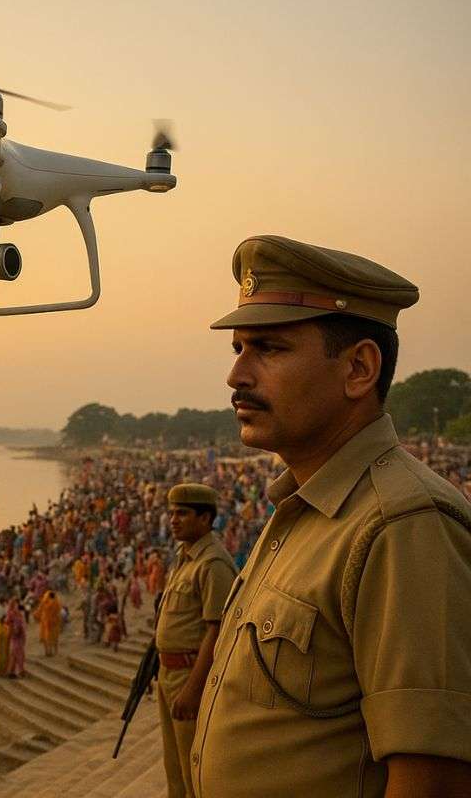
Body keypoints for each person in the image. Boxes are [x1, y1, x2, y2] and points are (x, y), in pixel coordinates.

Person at [194, 235, 471, 797]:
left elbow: (433, 779)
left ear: (359, 369)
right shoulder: (304, 508)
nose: (237, 375)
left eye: (269, 348)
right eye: (238, 349)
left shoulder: (402, 524)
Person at [151, 482, 236, 798]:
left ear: (205, 518)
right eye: (172, 513)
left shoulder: (213, 564)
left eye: (183, 514)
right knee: (174, 768)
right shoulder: (184, 556)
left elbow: (218, 631)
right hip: (169, 673)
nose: (173, 520)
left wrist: (192, 689)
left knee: (194, 773)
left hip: (189, 675)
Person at [36, 590, 62, 656]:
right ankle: (55, 652)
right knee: (55, 638)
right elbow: (59, 612)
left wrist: (37, 616)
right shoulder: (56, 602)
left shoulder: (44, 602)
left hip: (45, 622)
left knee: (46, 637)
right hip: (54, 622)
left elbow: (39, 611)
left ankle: (48, 651)